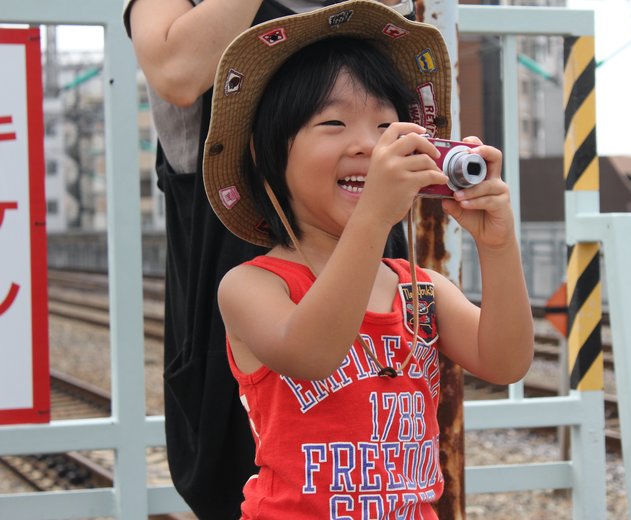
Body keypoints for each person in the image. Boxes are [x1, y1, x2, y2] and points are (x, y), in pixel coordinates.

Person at [202, 2, 535, 517]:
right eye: (333, 122)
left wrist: (497, 246)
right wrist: (373, 218)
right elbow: (312, 355)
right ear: (269, 155)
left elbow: (507, 361)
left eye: (387, 127)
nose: (368, 146)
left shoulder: (419, 289)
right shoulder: (254, 287)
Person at [122, 1, 416, 517]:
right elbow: (177, 72)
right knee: (245, 469)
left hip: (364, 242)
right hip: (235, 253)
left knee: (383, 449)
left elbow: (505, 358)